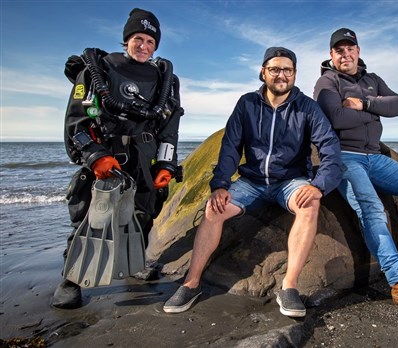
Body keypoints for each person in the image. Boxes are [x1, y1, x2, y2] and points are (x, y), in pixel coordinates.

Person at [163, 47, 343, 318]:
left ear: (294, 74)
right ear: (263, 72)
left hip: (290, 182)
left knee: (310, 205)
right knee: (213, 209)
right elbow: (230, 147)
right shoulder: (246, 103)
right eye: (275, 69)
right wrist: (220, 185)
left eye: (287, 70)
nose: (281, 75)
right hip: (251, 182)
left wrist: (318, 185)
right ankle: (191, 283)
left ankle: (289, 287)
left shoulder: (307, 107)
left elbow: (330, 146)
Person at [52, 8, 184, 309]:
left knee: (142, 214)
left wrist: (165, 164)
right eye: (138, 38)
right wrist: (95, 156)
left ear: (156, 46)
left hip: (143, 157)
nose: (143, 46)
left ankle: (134, 264)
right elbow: (76, 121)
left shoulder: (165, 80)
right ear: (127, 40)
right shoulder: (99, 70)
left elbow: (170, 129)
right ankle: (70, 281)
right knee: (93, 217)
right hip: (106, 156)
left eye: (150, 41)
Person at [314, 28, 398, 308]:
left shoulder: (372, 80)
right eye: (339, 50)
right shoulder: (326, 82)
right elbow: (336, 118)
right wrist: (375, 113)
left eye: (350, 48)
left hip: (375, 157)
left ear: (358, 51)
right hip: (344, 157)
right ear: (331, 55)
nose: (345, 54)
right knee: (372, 208)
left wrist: (364, 103)